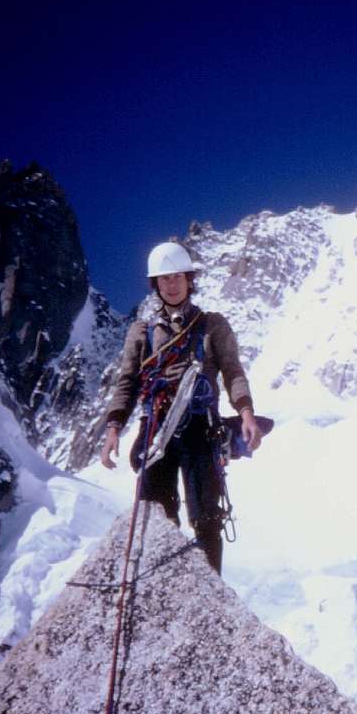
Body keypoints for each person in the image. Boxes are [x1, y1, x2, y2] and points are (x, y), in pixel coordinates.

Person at [100, 242, 261, 573]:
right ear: (156, 285)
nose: (171, 284)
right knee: (156, 515)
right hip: (156, 428)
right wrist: (113, 428)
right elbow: (127, 383)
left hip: (201, 427)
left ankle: (210, 591)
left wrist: (245, 412)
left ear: (189, 280)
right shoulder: (142, 332)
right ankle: (163, 587)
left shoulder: (212, 325)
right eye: (164, 279)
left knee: (207, 517)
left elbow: (232, 372)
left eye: (177, 277)